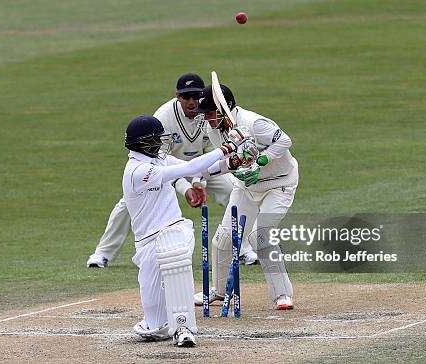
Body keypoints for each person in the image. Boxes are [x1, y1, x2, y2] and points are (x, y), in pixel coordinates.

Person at [87, 73, 258, 268]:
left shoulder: (209, 114)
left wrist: (197, 182)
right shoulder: (164, 117)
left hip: (203, 165)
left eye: (196, 96)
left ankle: (244, 249)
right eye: (186, 97)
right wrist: (187, 189)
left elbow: (210, 150)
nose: (192, 101)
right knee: (127, 203)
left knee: (234, 191)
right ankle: (102, 253)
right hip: (167, 166)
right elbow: (161, 161)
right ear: (177, 96)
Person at [123, 115, 244, 346]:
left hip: (173, 229)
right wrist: (227, 147)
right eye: (157, 139)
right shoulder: (137, 170)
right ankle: (160, 326)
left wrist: (232, 162)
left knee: (175, 253)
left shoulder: (159, 160)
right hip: (147, 242)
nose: (161, 142)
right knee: (155, 326)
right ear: (143, 143)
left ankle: (184, 328)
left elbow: (201, 169)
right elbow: (190, 167)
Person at [192, 82, 298, 310]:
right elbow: (229, 163)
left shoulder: (254, 123)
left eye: (210, 113)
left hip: (279, 183)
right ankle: (219, 292)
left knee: (260, 236)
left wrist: (262, 160)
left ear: (224, 109)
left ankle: (282, 295)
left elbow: (284, 141)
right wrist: (199, 175)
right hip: (246, 187)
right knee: (224, 239)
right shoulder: (213, 130)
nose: (206, 118)